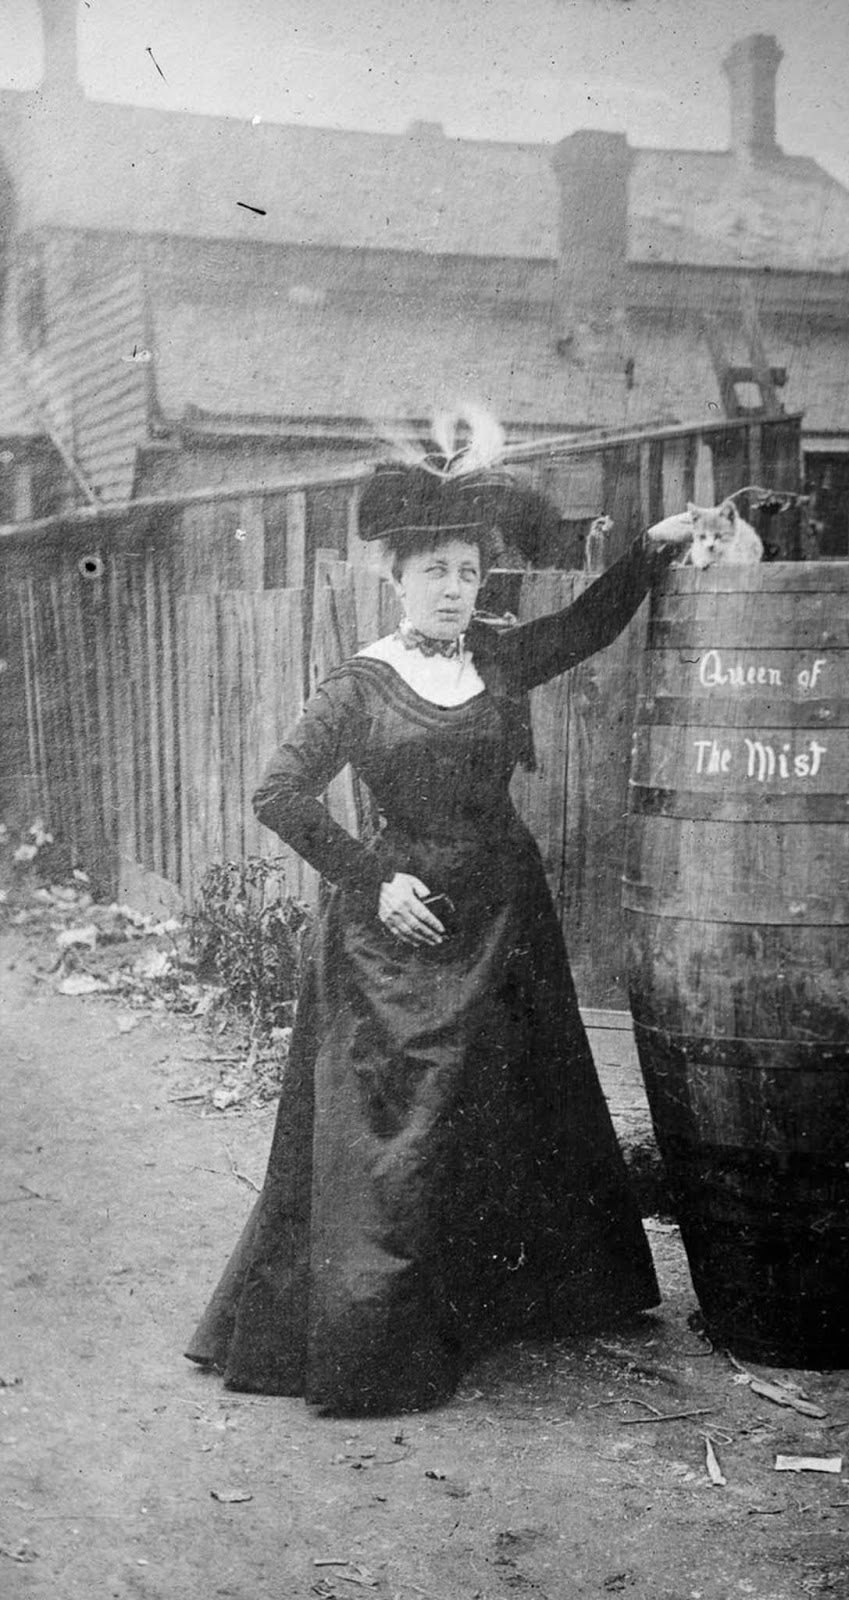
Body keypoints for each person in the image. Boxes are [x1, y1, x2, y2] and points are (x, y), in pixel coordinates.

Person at [186, 440, 691, 1414]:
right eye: (435, 573)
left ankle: (504, 1304)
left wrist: (653, 551)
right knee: (397, 1141)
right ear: (396, 578)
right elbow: (279, 794)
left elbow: (587, 624)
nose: (455, 589)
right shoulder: (359, 685)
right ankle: (376, 1340)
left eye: (469, 572)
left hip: (505, 920)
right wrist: (372, 880)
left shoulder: (496, 658)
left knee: (511, 1118)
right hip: (397, 939)